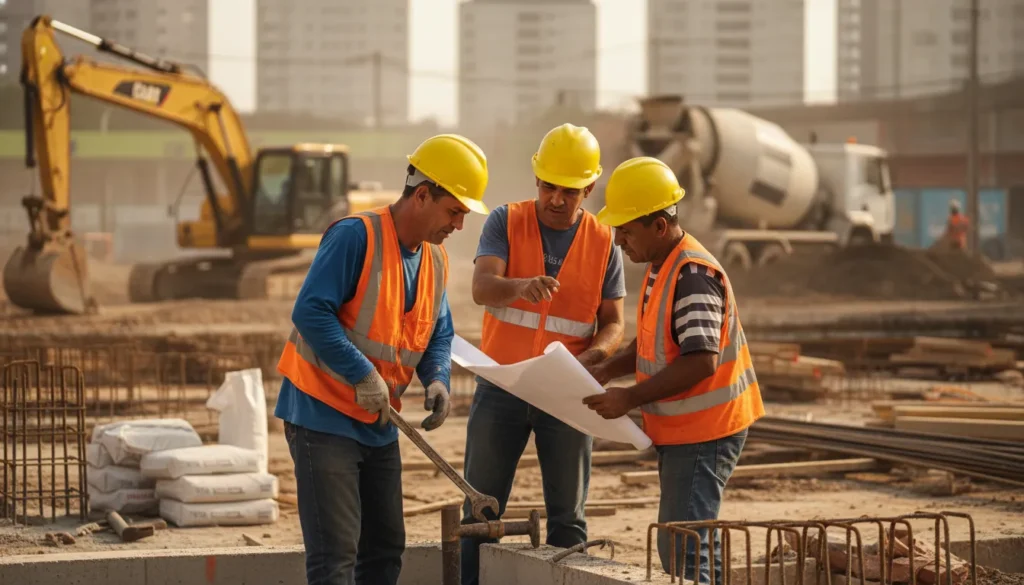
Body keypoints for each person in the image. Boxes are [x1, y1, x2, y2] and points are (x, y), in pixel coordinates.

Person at [274, 134, 491, 585]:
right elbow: (310, 311)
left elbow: (438, 331)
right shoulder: (356, 236)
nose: (459, 225)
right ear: (423, 195)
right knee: (335, 556)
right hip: (322, 415)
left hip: (377, 422)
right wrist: (360, 372)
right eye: (454, 211)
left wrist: (437, 378)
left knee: (385, 548)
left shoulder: (435, 259)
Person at [582, 157, 765, 585]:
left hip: (706, 431)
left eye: (627, 230)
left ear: (659, 226)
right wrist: (607, 369)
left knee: (683, 550)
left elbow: (701, 360)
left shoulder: (693, 276)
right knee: (691, 544)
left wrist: (630, 397)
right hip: (688, 430)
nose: (619, 240)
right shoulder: (662, 266)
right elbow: (651, 345)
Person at [460, 123, 626, 585]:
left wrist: (596, 355)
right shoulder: (505, 221)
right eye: (549, 186)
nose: (556, 198)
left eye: (569, 191)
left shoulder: (604, 241)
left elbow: (613, 322)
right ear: (536, 178)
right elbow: (481, 288)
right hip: (503, 386)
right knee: (480, 510)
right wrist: (519, 286)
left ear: (588, 189)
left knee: (568, 519)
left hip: (565, 392)